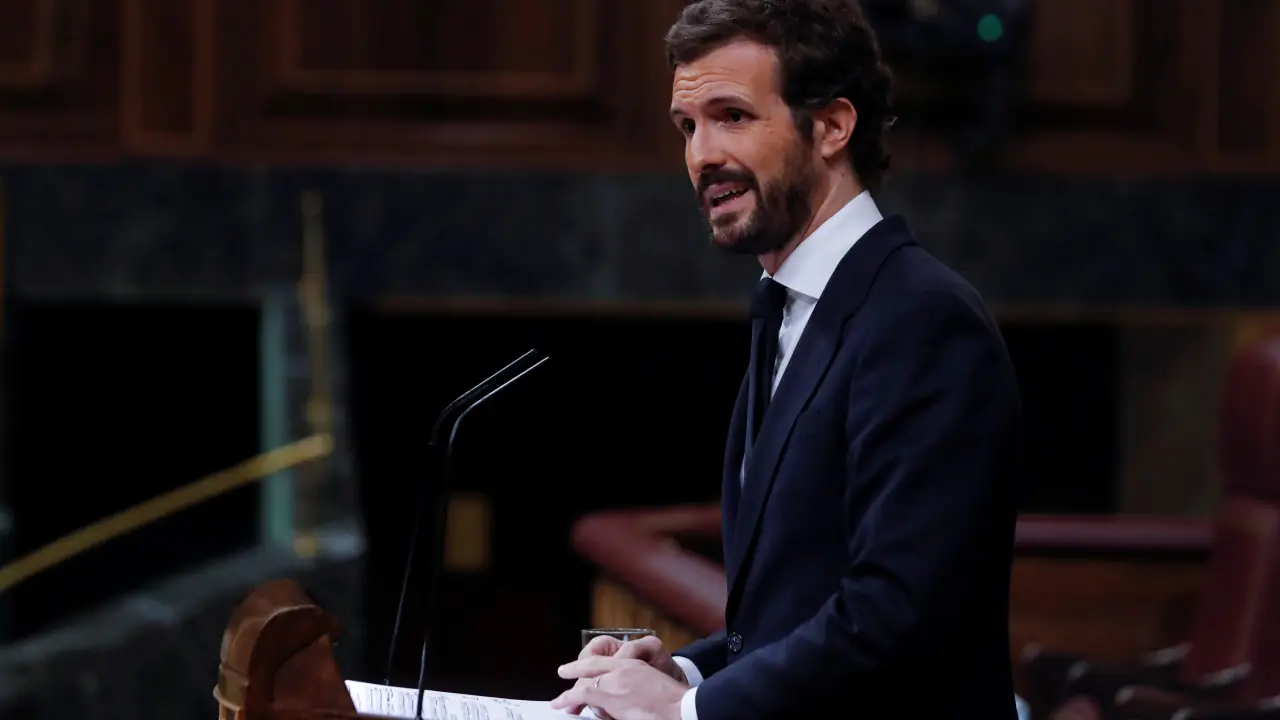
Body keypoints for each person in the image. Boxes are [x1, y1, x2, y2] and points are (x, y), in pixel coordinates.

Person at [551, 1, 1023, 718]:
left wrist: (686, 713)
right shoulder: (788, 306)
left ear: (832, 126)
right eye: (688, 126)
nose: (701, 155)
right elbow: (792, 610)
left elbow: (898, 614)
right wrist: (685, 672)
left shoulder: (922, 318)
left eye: (732, 116)